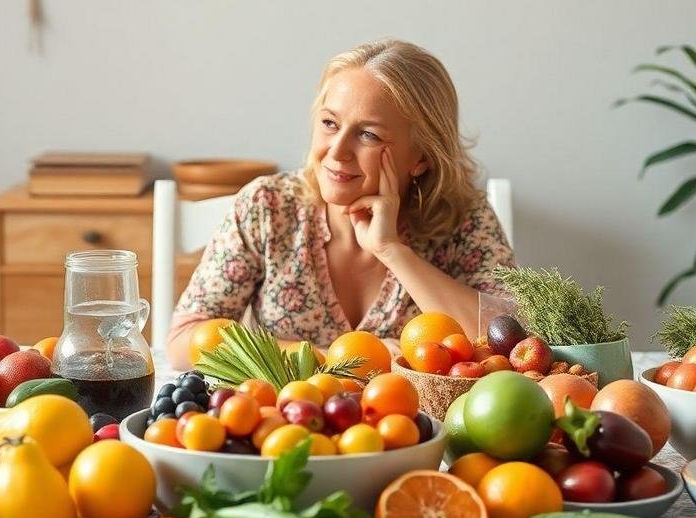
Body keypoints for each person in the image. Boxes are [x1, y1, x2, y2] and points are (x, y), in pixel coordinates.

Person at [166, 39, 515, 370]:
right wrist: (337, 360)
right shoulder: (267, 207)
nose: (336, 152)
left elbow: (508, 345)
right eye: (330, 123)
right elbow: (183, 343)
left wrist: (391, 249)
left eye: (369, 135)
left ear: (421, 157)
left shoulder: (464, 218)